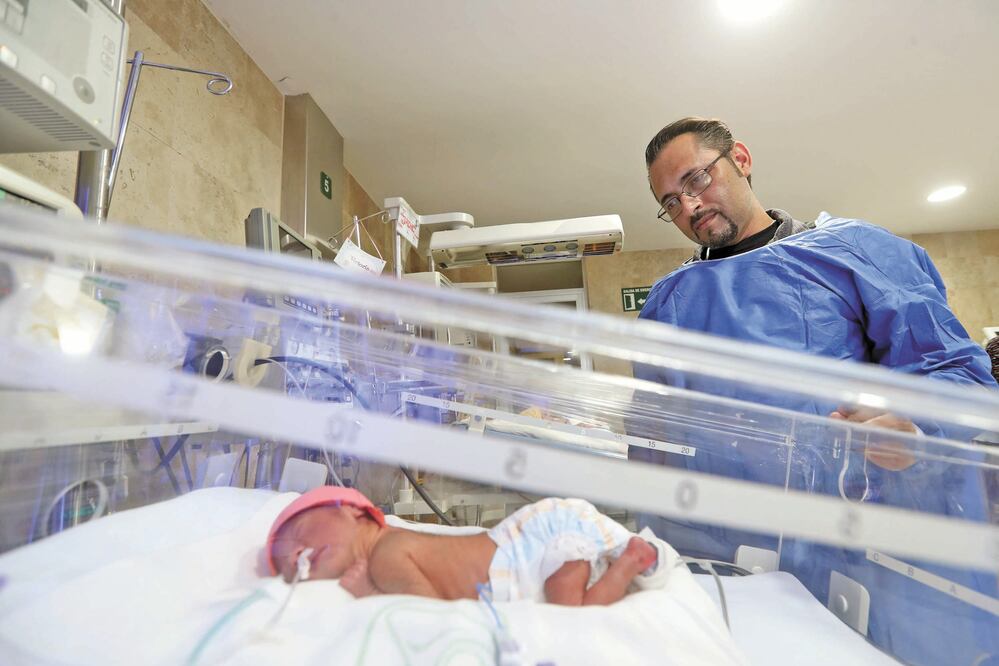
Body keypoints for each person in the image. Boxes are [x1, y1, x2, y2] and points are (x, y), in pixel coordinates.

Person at [630, 116, 998, 664]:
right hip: (729, 567)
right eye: (670, 202)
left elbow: (959, 374)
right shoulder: (667, 305)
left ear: (742, 159)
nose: (689, 206)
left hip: (866, 543)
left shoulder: (852, 254)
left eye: (697, 180)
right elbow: (655, 443)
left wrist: (914, 426)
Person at [266, 487, 677, 606]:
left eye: (301, 531)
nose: (295, 552)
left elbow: (425, 611)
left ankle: (629, 563)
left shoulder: (386, 557)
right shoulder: (388, 546)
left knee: (571, 608)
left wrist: (370, 595)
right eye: (286, 561)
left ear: (354, 511)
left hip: (533, 552)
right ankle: (631, 562)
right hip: (535, 546)